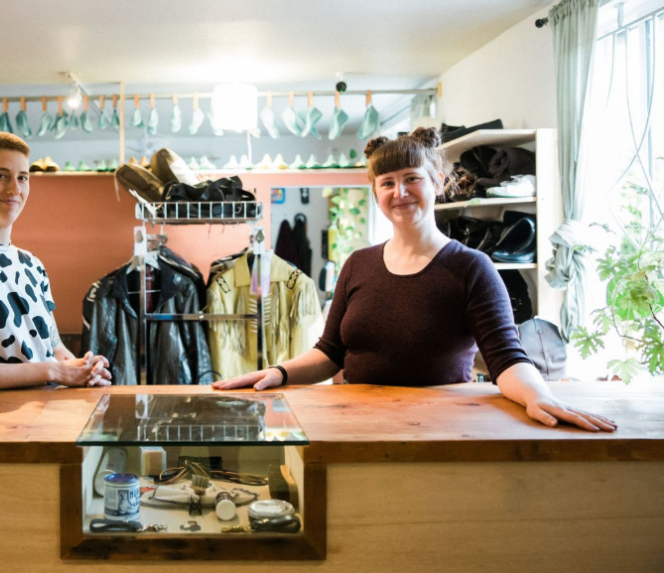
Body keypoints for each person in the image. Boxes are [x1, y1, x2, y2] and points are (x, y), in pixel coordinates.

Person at [214, 127, 615, 433]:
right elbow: (330, 352)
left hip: (440, 429)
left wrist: (539, 396)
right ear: (376, 192)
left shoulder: (472, 267)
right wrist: (278, 373)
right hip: (356, 425)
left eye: (411, 178)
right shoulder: (358, 264)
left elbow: (506, 358)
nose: (399, 191)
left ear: (438, 183)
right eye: (387, 182)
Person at [0, 131, 111, 390]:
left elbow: (55, 350)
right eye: (1, 175)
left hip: (44, 421)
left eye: (22, 178)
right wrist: (55, 371)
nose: (14, 188)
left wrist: (85, 369)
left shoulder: (32, 264)